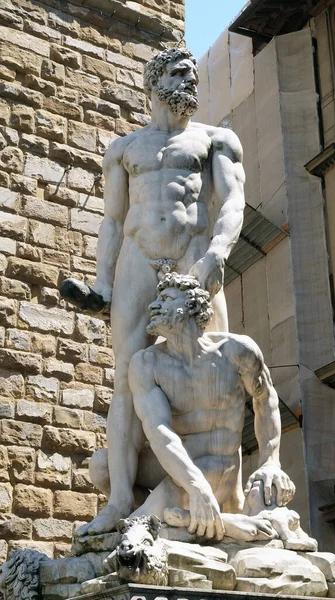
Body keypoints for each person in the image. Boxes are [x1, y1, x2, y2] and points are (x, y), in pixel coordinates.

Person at [75, 47, 246, 537]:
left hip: (195, 255)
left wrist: (216, 257)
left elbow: (233, 202)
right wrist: (102, 281)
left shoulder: (216, 139)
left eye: (192, 74)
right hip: (137, 259)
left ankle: (220, 496)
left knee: (215, 370)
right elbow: (110, 221)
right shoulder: (124, 149)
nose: (188, 80)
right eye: (177, 72)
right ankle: (120, 500)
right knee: (126, 380)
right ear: (153, 81)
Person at [123, 273, 296, 540]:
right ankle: (213, 522)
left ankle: (197, 520)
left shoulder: (236, 351)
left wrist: (270, 461)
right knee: (101, 467)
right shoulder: (147, 363)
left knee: (138, 530)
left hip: (216, 465)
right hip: (179, 464)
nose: (154, 306)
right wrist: (195, 487)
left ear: (192, 305)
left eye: (166, 299)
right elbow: (159, 431)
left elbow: (266, 400)